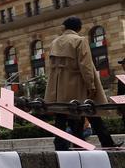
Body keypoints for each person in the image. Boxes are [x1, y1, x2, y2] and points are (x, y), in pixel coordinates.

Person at [45, 16, 120, 150]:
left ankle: (62, 143)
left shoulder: (54, 42)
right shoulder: (80, 40)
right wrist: (91, 84)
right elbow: (85, 65)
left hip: (58, 85)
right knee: (91, 111)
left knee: (62, 115)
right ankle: (106, 142)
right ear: (78, 27)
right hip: (77, 82)